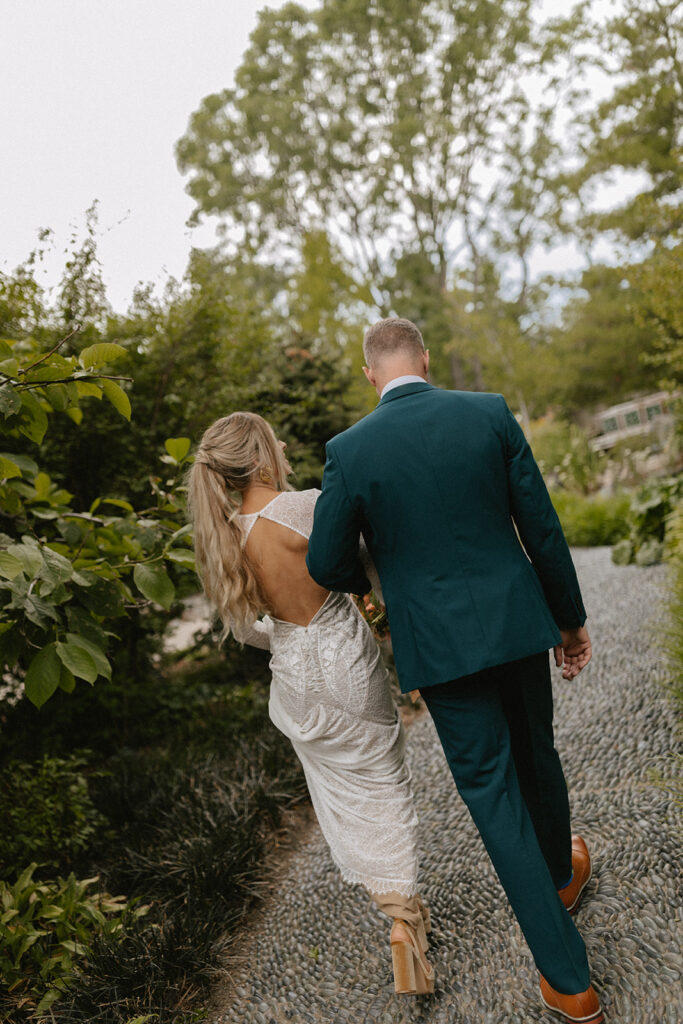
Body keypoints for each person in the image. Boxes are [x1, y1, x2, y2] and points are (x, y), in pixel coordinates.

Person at [306, 318, 604, 1024]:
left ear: (369, 374)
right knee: (536, 751)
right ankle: (560, 879)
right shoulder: (486, 412)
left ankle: (570, 982)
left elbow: (324, 561)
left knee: (493, 794)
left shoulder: (348, 450)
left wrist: (379, 580)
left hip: (437, 648)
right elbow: (541, 524)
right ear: (425, 360)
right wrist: (569, 619)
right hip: (516, 621)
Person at [187, 410, 434, 995]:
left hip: (294, 678)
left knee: (346, 796)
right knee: (384, 781)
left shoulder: (228, 537)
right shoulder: (307, 507)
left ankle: (397, 908)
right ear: (264, 453)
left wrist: (289, 635)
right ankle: (404, 921)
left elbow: (248, 631)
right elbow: (369, 567)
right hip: (346, 662)